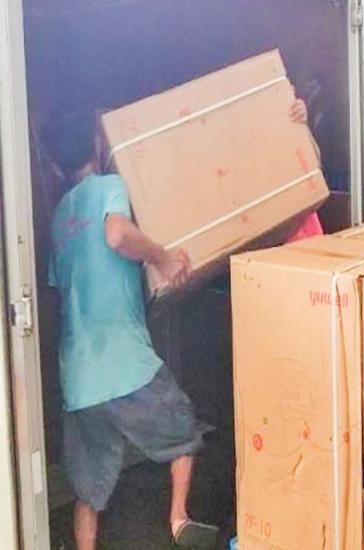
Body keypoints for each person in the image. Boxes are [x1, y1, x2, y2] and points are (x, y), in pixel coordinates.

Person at [48, 101, 308, 550]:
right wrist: (164, 258)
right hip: (123, 361)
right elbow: (116, 234)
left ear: (55, 165)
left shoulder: (57, 219)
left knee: (88, 489)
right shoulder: (110, 186)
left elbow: (62, 286)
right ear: (97, 145)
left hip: (78, 375)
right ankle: (178, 521)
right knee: (183, 431)